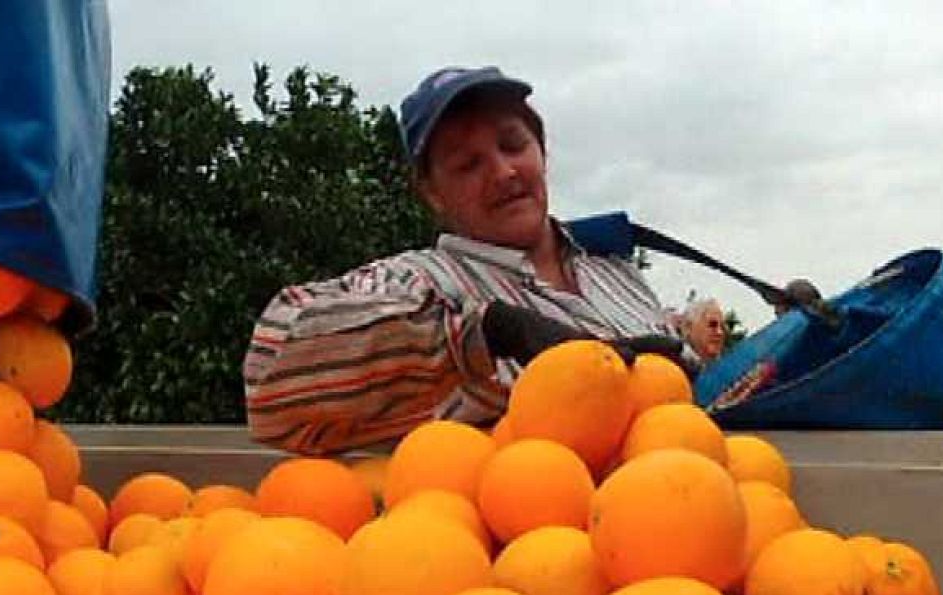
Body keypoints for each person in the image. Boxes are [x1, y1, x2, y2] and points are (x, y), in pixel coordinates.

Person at [243, 66, 694, 455]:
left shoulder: (618, 272)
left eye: (512, 144)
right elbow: (270, 377)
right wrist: (485, 334)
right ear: (433, 194)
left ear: (541, 151)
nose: (502, 172)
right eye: (467, 164)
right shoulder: (416, 281)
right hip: (522, 545)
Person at [681, 297, 729, 364]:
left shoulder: (728, 369)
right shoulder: (672, 362)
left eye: (722, 327)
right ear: (688, 327)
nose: (719, 332)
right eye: (712, 325)